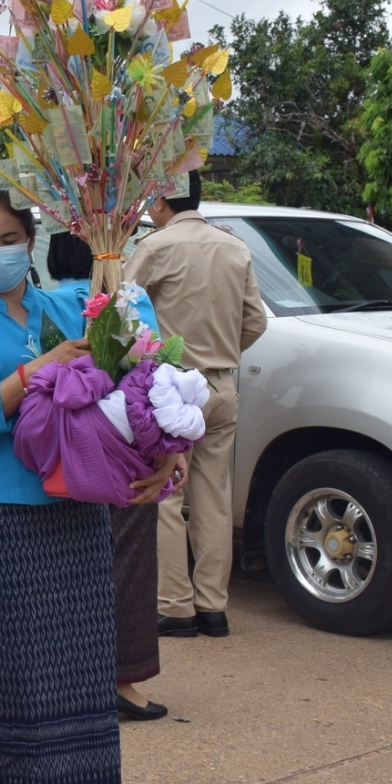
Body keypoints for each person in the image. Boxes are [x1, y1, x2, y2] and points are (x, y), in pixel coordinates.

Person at [0, 184, 177, 784]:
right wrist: (37, 368)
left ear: (29, 239)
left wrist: (114, 269)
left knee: (79, 660)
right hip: (1, 511)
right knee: (13, 663)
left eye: (6, 238)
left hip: (76, 505)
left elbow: (142, 356)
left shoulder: (69, 305)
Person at [127, 170, 265, 638]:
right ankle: (213, 606)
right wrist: (221, 353)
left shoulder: (156, 247)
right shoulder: (234, 247)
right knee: (214, 497)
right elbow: (256, 322)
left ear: (163, 201)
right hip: (221, 387)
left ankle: (175, 606)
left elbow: (121, 314)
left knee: (165, 494)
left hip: (171, 388)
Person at [47, 231, 169, 720]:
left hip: (68, 453)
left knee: (68, 570)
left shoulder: (48, 303)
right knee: (129, 562)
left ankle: (73, 679)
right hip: (130, 451)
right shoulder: (131, 299)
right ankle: (122, 680)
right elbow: (154, 368)